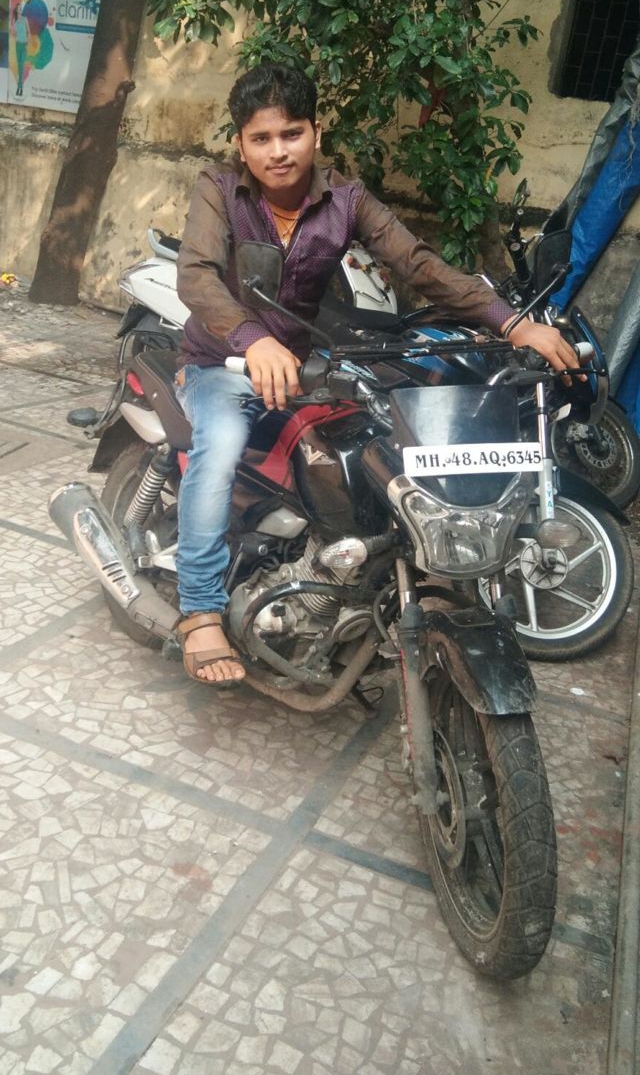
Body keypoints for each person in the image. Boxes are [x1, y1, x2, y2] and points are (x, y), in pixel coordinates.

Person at [175, 63, 580, 687]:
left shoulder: (346, 200)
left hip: (301, 367)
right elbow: (197, 275)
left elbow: (417, 263)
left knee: (366, 447)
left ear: (316, 132)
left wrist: (512, 324)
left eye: (291, 134)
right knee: (221, 445)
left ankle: (337, 584)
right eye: (261, 139)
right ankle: (200, 610)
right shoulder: (220, 189)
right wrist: (253, 341)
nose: (278, 152)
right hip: (220, 361)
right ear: (241, 144)